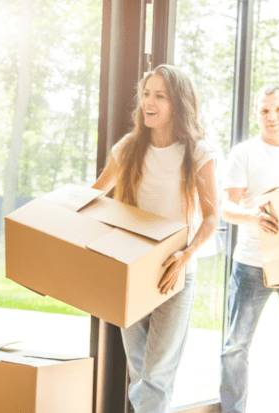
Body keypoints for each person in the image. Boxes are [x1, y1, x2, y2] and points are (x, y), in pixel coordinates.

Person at [92, 64, 220, 413]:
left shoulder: (197, 152)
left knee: (157, 375)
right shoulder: (129, 148)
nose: (149, 102)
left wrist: (186, 256)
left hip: (173, 273)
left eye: (159, 96)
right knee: (140, 372)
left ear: (177, 103)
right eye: (146, 94)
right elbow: (95, 196)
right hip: (130, 269)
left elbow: (212, 218)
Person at [218, 84, 279, 413]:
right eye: (265, 110)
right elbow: (226, 208)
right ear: (256, 114)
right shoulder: (244, 153)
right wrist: (252, 215)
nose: (272, 116)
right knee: (235, 346)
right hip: (251, 264)